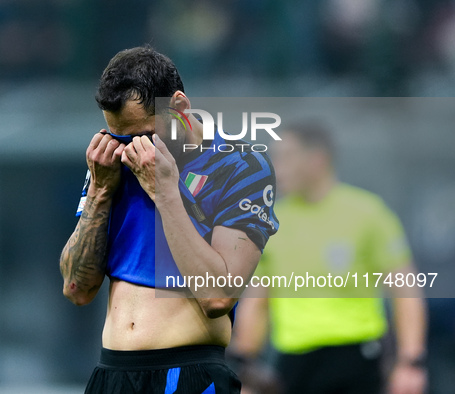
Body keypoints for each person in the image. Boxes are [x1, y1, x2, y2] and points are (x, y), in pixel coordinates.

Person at [59, 45, 278, 393]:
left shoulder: (240, 167)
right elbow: (77, 289)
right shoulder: (112, 163)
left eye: (145, 135)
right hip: (110, 373)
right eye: (119, 136)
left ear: (179, 107)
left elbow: (218, 297)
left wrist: (165, 192)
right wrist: (100, 193)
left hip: (187, 372)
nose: (132, 150)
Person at [229, 122, 427, 394]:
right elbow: (258, 298)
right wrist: (245, 364)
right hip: (294, 360)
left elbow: (405, 289)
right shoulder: (270, 222)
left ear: (317, 160)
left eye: (286, 156)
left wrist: (411, 362)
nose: (276, 167)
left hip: (356, 356)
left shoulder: (368, 213)